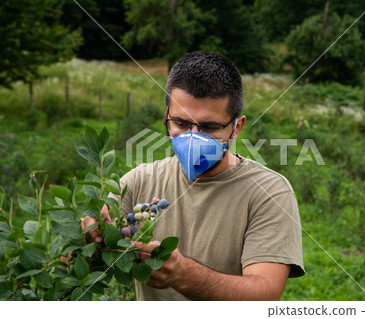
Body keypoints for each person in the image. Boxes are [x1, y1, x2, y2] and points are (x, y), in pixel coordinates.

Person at [82, 51, 304, 300]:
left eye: (209, 128)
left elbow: (265, 294)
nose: (192, 137)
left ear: (236, 127)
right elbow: (86, 253)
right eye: (181, 124)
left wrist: (185, 275)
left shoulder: (269, 192)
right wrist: (94, 231)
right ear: (167, 118)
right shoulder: (138, 181)